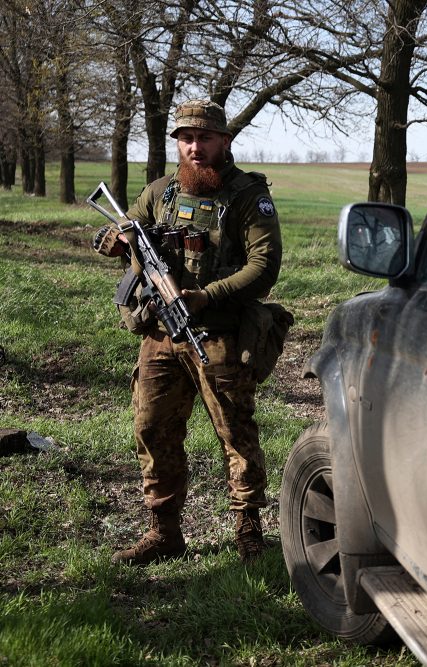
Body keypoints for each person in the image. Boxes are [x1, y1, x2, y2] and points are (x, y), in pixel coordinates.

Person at [93, 99, 282, 565]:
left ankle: (248, 529)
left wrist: (207, 296)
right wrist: (112, 241)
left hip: (219, 335)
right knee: (152, 429)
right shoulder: (161, 191)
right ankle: (164, 531)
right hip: (159, 335)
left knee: (235, 433)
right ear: (177, 142)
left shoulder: (246, 196)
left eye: (204, 138)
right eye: (186, 138)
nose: (194, 148)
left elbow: (264, 266)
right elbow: (121, 231)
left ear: (224, 141)